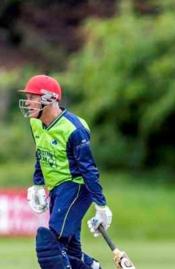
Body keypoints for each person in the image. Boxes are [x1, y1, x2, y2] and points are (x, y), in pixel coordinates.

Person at [19, 74, 113, 269]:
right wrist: (37, 184)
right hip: (56, 189)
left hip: (76, 187)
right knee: (71, 252)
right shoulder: (35, 122)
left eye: (32, 97)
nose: (28, 103)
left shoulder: (74, 129)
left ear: (49, 99)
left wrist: (101, 206)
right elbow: (41, 152)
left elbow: (88, 169)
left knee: (51, 244)